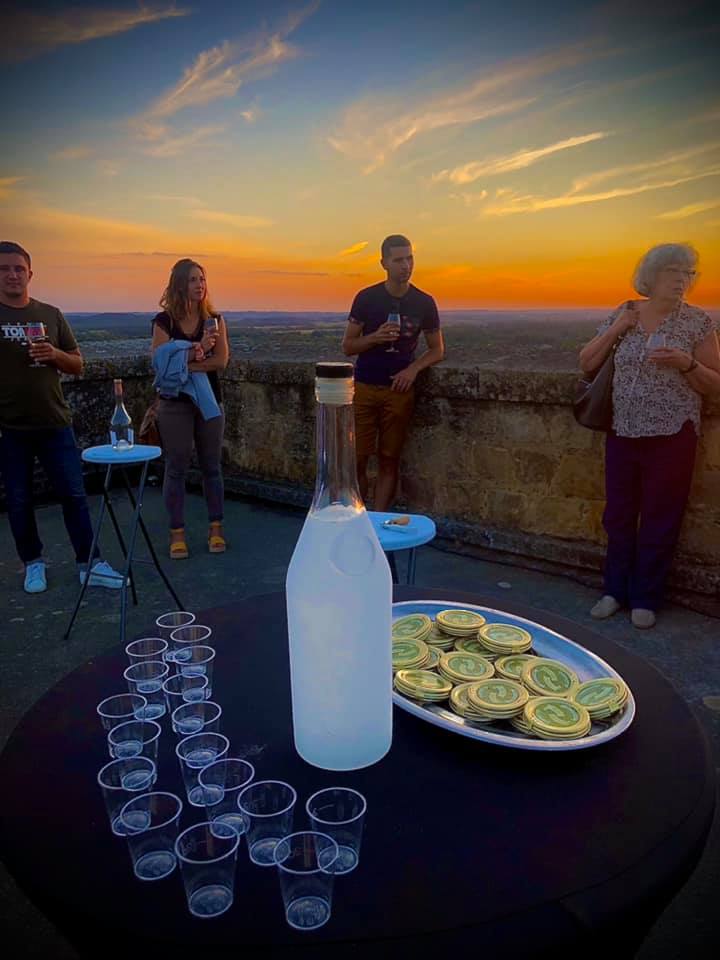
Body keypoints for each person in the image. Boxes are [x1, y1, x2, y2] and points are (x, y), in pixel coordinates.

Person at [578, 243, 720, 629]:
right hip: (623, 430)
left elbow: (715, 384)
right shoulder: (625, 313)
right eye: (673, 271)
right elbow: (587, 362)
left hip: (674, 435)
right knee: (619, 515)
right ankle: (614, 591)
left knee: (661, 517)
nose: (681, 280)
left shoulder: (697, 322)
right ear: (651, 276)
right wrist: (619, 329)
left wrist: (686, 363)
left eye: (688, 273)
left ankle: (645, 597)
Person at [0, 241, 124, 593]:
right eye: (4, 268)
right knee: (20, 501)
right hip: (9, 428)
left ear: (30, 274)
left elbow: (77, 363)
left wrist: (53, 353)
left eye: (18, 268)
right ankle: (33, 564)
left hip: (55, 422)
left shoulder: (50, 314)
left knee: (74, 494)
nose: (12, 274)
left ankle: (90, 563)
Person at [342, 235, 444, 510]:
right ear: (384, 263)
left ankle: (379, 523)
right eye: (398, 260)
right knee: (359, 459)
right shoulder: (367, 298)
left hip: (398, 391)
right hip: (364, 387)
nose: (406, 265)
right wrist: (375, 338)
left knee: (389, 458)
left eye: (409, 258)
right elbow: (348, 346)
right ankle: (358, 517)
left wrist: (413, 369)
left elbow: (437, 349)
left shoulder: (423, 302)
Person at [151, 258, 229, 558]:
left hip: (209, 401)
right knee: (176, 468)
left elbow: (220, 362)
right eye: (193, 279)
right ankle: (177, 532)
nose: (200, 285)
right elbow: (160, 365)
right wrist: (199, 353)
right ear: (180, 285)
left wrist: (184, 362)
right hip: (175, 404)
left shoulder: (215, 320)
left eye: (202, 279)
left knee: (212, 467)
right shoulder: (164, 322)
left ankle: (216, 528)